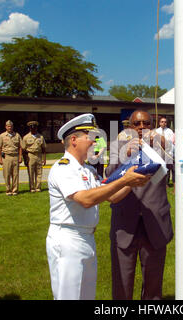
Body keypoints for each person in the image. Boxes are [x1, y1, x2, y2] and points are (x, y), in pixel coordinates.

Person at [46, 113, 150, 300]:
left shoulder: (87, 170)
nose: (94, 142)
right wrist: (124, 180)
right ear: (74, 140)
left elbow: (112, 196)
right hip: (68, 240)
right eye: (90, 137)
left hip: (86, 239)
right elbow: (86, 199)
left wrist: (131, 183)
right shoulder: (63, 168)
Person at [105, 109, 173, 300]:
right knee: (122, 284)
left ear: (152, 125)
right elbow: (108, 175)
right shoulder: (119, 144)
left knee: (153, 286)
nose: (142, 128)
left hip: (155, 222)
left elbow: (181, 166)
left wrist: (163, 144)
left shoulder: (162, 145)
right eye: (137, 124)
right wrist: (125, 154)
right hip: (125, 222)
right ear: (130, 126)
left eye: (146, 124)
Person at [0, 120, 22, 196]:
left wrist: (20, 157)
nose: (9, 127)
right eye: (8, 126)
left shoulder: (17, 135)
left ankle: (15, 190)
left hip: (15, 156)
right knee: (6, 174)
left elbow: (20, 147)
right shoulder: (2, 136)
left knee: (15, 174)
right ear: (6, 127)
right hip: (6, 157)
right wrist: (0, 159)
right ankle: (8, 190)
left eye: (11, 126)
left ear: (13, 127)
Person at [22, 121, 46, 192]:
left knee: (39, 172)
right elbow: (23, 149)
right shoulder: (26, 137)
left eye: (35, 128)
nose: (33, 129)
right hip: (30, 155)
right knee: (31, 172)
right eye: (32, 128)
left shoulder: (40, 137)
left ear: (36, 128)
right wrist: (25, 160)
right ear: (30, 128)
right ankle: (32, 188)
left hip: (38, 155)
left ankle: (38, 187)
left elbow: (44, 148)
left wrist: (44, 159)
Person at [156, 117, 175, 187]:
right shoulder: (156, 131)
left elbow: (171, 142)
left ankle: (169, 182)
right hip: (159, 153)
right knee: (162, 168)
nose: (163, 123)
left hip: (168, 153)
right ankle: (163, 183)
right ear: (159, 123)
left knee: (169, 168)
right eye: (162, 122)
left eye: (165, 122)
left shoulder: (170, 131)